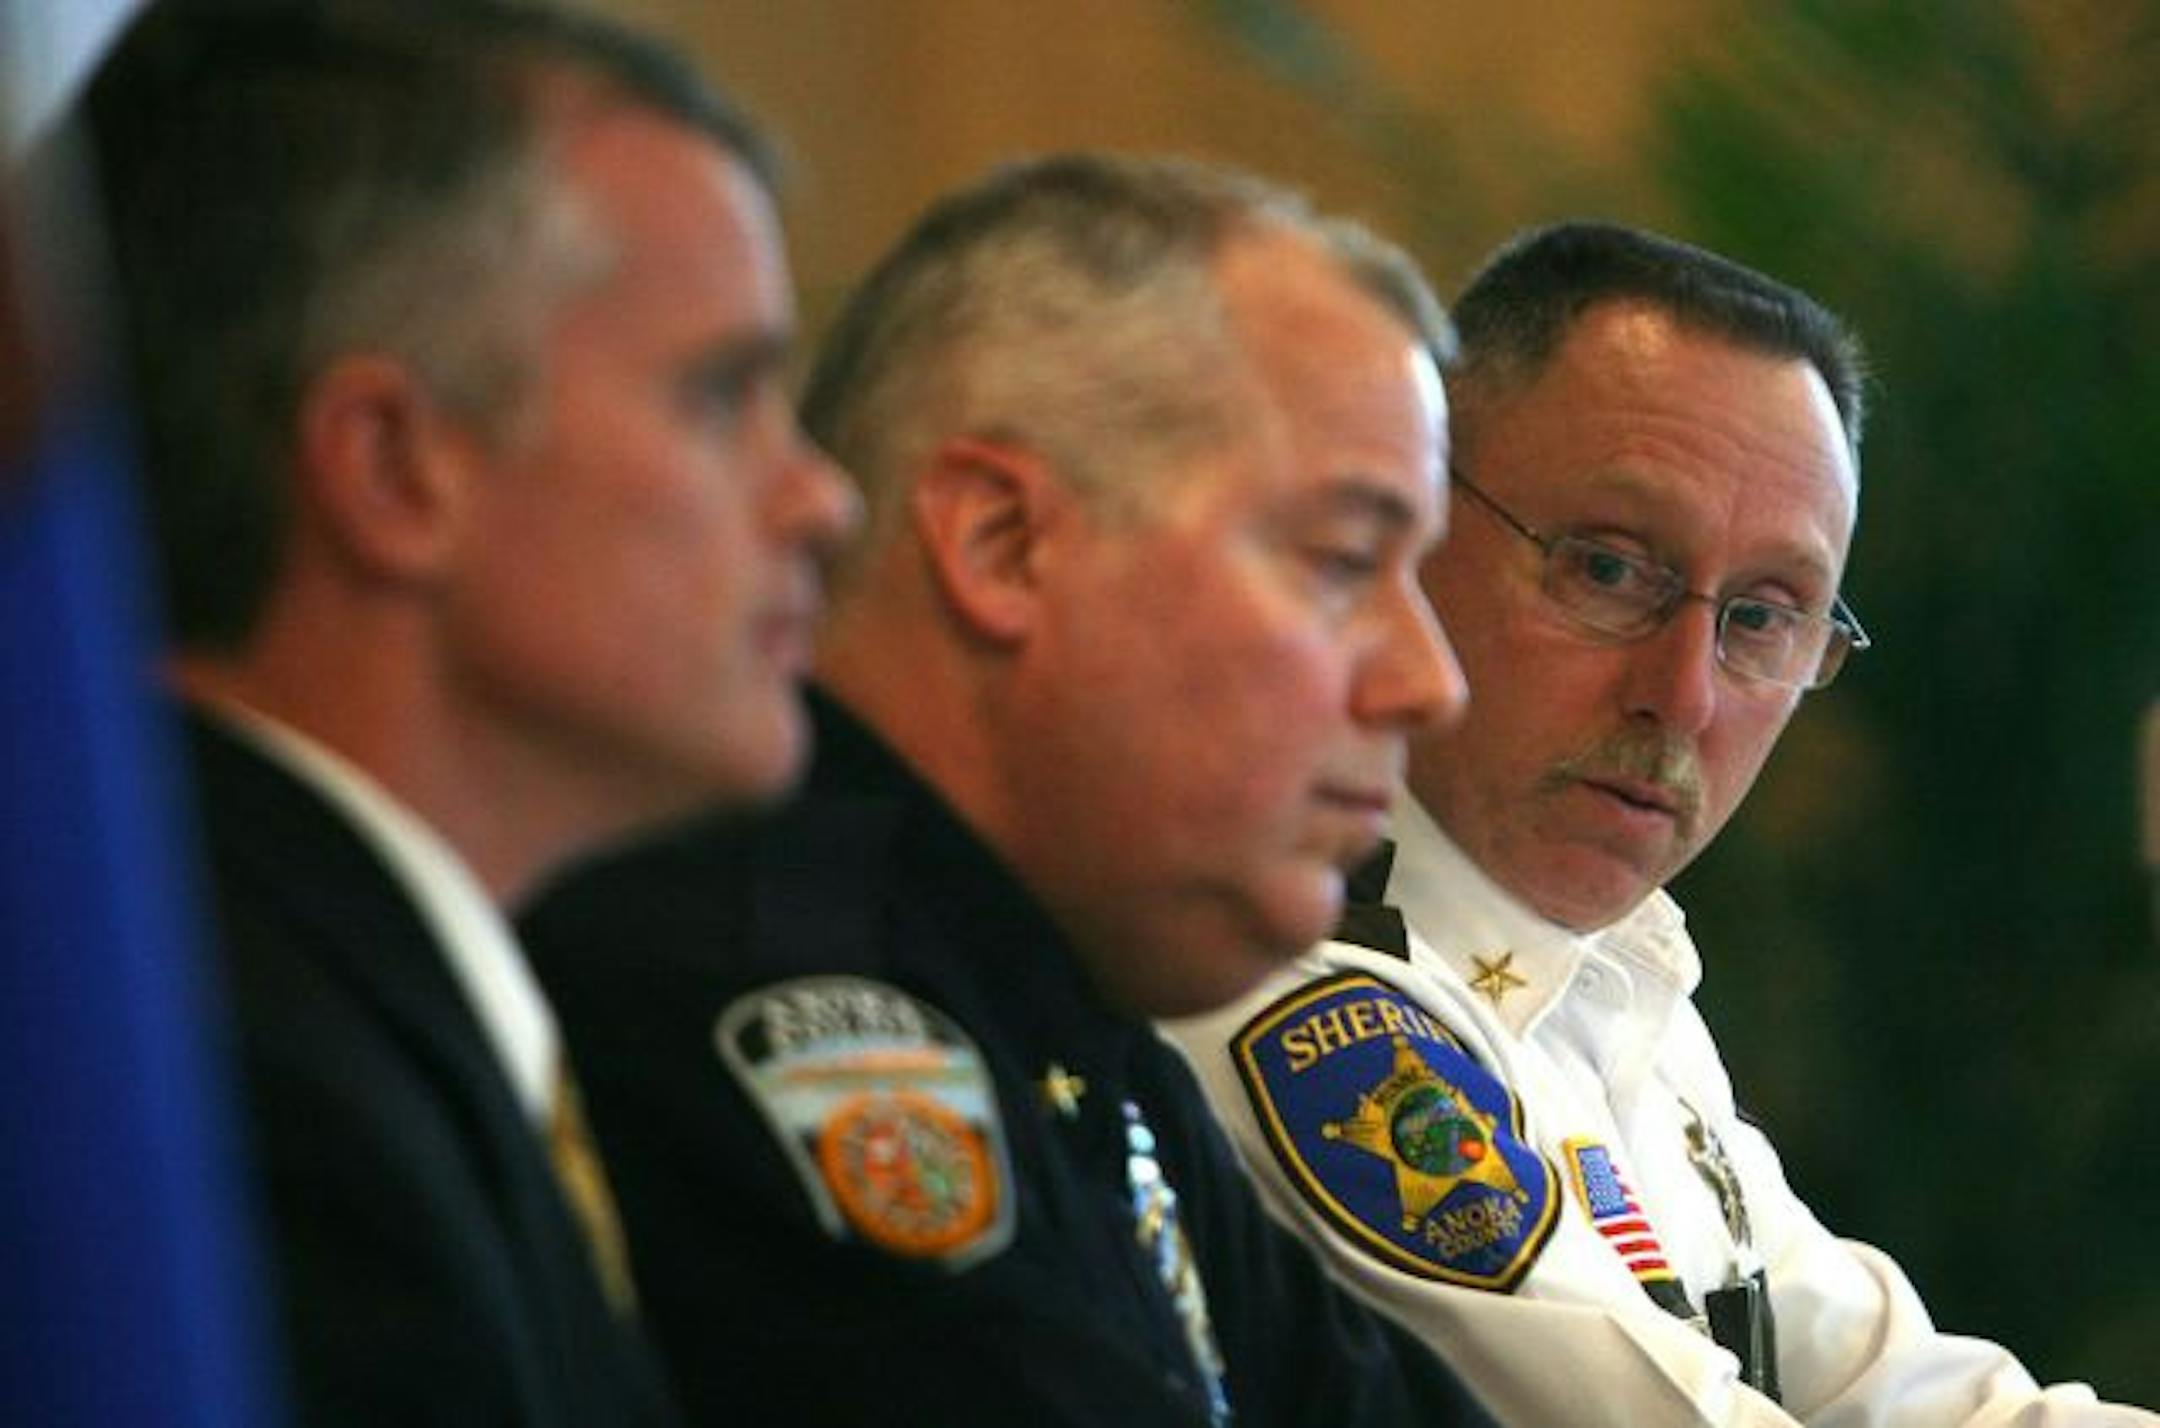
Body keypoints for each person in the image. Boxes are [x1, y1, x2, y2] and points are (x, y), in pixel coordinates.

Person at [521, 152, 1496, 1425]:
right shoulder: (769, 1000)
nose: (1432, 682)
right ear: (1003, 544)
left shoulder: (1074, 1008)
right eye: (1344, 559)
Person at [1163, 221, 2159, 1425]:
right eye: (1608, 569)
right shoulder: (1299, 990)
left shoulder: (1613, 980)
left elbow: (1902, 1391)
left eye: (1764, 617)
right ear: (1406, 536)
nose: (1683, 695)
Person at [73, 1, 856, 1422]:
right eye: (720, 393)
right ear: (393, 468)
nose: (821, 500)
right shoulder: (242, 1096)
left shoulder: (326, 996)